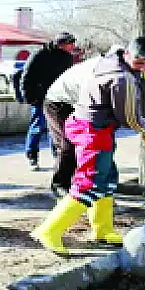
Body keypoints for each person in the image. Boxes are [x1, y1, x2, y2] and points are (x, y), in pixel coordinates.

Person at [30, 37, 145, 256]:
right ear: (128, 54)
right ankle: (50, 230)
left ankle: (103, 229)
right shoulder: (122, 79)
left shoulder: (111, 60)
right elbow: (130, 117)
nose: (142, 68)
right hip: (93, 131)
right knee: (90, 182)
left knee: (107, 177)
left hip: (89, 125)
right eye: (138, 63)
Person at [41, 49, 107, 198]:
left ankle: (79, 183)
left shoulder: (108, 67)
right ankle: (59, 184)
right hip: (57, 103)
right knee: (66, 144)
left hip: (74, 102)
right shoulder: (96, 71)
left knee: (85, 144)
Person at [20, 32, 77, 170]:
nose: (73, 47)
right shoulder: (40, 55)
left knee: (57, 129)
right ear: (62, 44)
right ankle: (32, 155)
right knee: (37, 126)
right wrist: (30, 97)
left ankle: (58, 156)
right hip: (40, 98)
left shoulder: (68, 58)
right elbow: (26, 76)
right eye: (71, 44)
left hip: (60, 98)